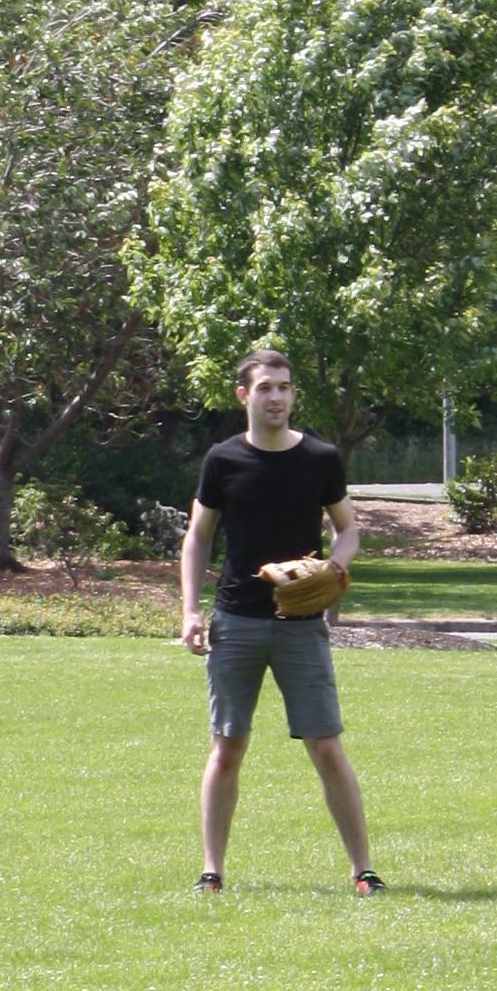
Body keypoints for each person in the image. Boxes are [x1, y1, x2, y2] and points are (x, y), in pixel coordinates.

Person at [179, 348, 382, 895]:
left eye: (285, 387)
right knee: (228, 745)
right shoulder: (223, 460)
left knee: (326, 745)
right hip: (236, 619)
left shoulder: (319, 458)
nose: (277, 397)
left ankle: (363, 870)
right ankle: (212, 872)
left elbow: (348, 528)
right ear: (245, 395)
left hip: (301, 623)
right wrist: (191, 610)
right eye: (266, 387)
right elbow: (198, 537)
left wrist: (334, 564)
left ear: (293, 395)